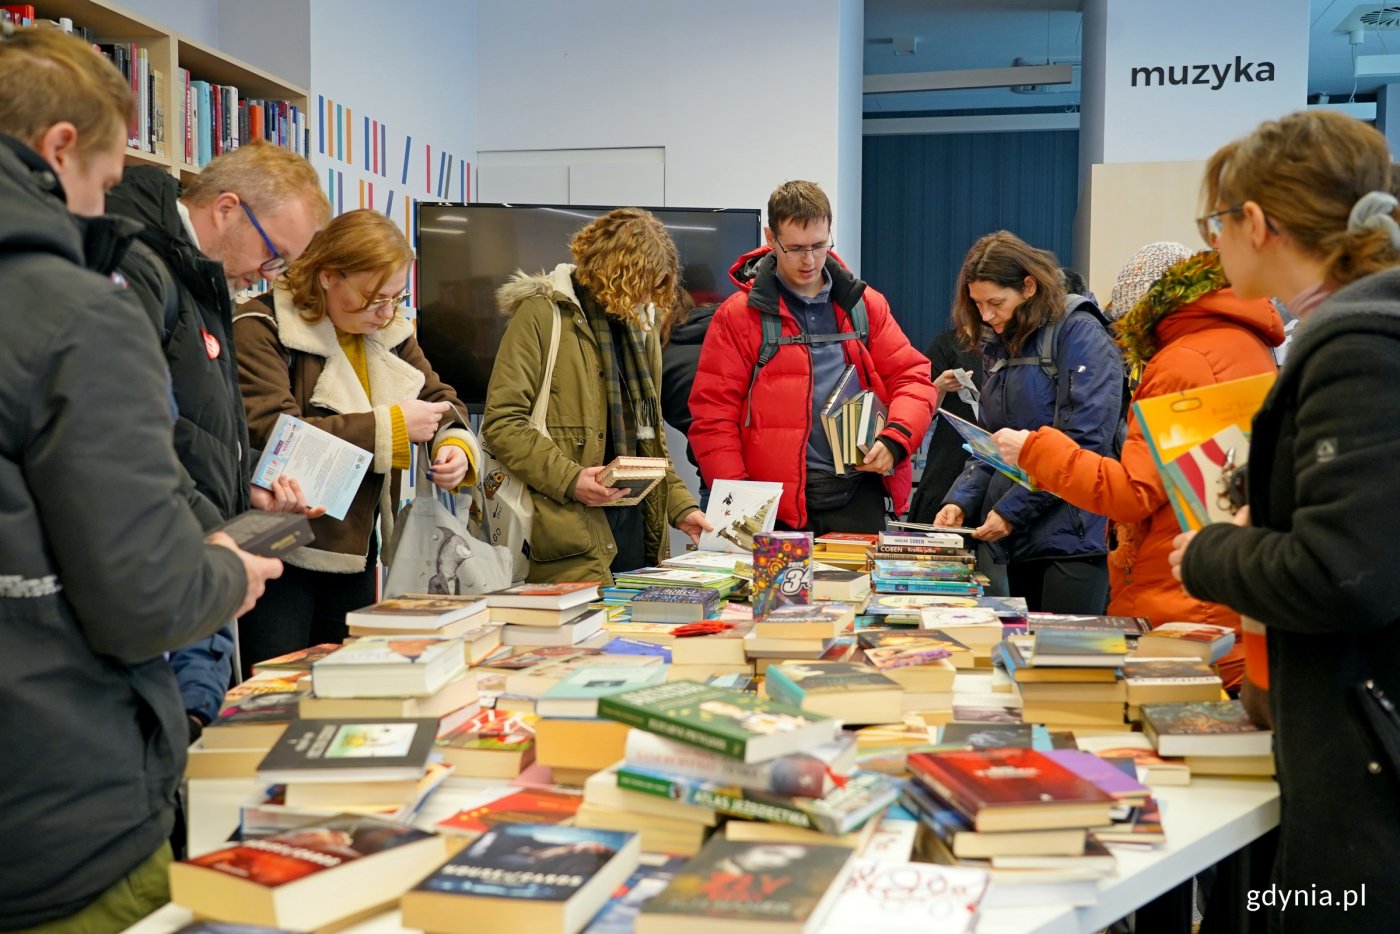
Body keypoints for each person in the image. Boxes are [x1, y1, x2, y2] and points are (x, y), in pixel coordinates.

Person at [0, 26, 278, 929]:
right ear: (60, 148)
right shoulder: (78, 311)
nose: (103, 209)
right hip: (59, 812)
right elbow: (146, 592)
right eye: (108, 184)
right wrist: (230, 571)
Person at [1167, 109, 1400, 932]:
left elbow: (1346, 570)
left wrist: (1213, 554)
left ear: (1256, 223)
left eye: (1217, 223)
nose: (1215, 244)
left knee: (1315, 910)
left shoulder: (1357, 346)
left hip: (1363, 762)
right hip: (1346, 734)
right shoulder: (1354, 333)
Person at [104, 137, 330, 738]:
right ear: (227, 208)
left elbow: (196, 425)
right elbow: (131, 433)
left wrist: (246, 480)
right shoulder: (140, 266)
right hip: (168, 562)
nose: (269, 273)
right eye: (272, 252)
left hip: (202, 551)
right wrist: (216, 538)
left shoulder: (200, 282)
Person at [989, 245, 1283, 692]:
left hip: (1183, 600)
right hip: (1224, 590)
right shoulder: (1241, 345)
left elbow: (1133, 494)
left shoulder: (1183, 362)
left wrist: (1034, 450)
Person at [234, 209, 480, 674]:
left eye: (396, 297)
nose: (385, 312)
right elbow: (272, 434)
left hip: (357, 550)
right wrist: (389, 427)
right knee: (275, 694)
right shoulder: (262, 327)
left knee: (343, 690)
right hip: (280, 548)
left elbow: (442, 399)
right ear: (327, 276)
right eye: (372, 298)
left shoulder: (386, 331)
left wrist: (455, 447)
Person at [689, 180, 938, 534]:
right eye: (795, 248)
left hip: (856, 493)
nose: (809, 260)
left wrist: (896, 439)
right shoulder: (738, 317)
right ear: (770, 238)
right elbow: (713, 415)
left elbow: (912, 378)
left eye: (819, 246)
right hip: (769, 507)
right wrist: (739, 498)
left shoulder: (863, 305)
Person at [483, 208, 708, 584]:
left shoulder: (641, 326)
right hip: (568, 531)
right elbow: (503, 422)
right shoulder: (541, 316)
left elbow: (649, 444)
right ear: (614, 273)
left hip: (634, 527)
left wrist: (680, 507)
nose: (645, 298)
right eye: (640, 284)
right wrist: (571, 479)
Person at [934, 231, 1123, 614]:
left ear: (1029, 286)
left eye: (996, 303)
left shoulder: (1080, 333)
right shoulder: (1001, 344)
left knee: (1066, 667)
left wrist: (1010, 511)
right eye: (978, 304)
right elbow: (989, 444)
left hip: (1076, 539)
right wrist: (959, 500)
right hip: (1022, 538)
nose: (986, 315)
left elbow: (1083, 443)